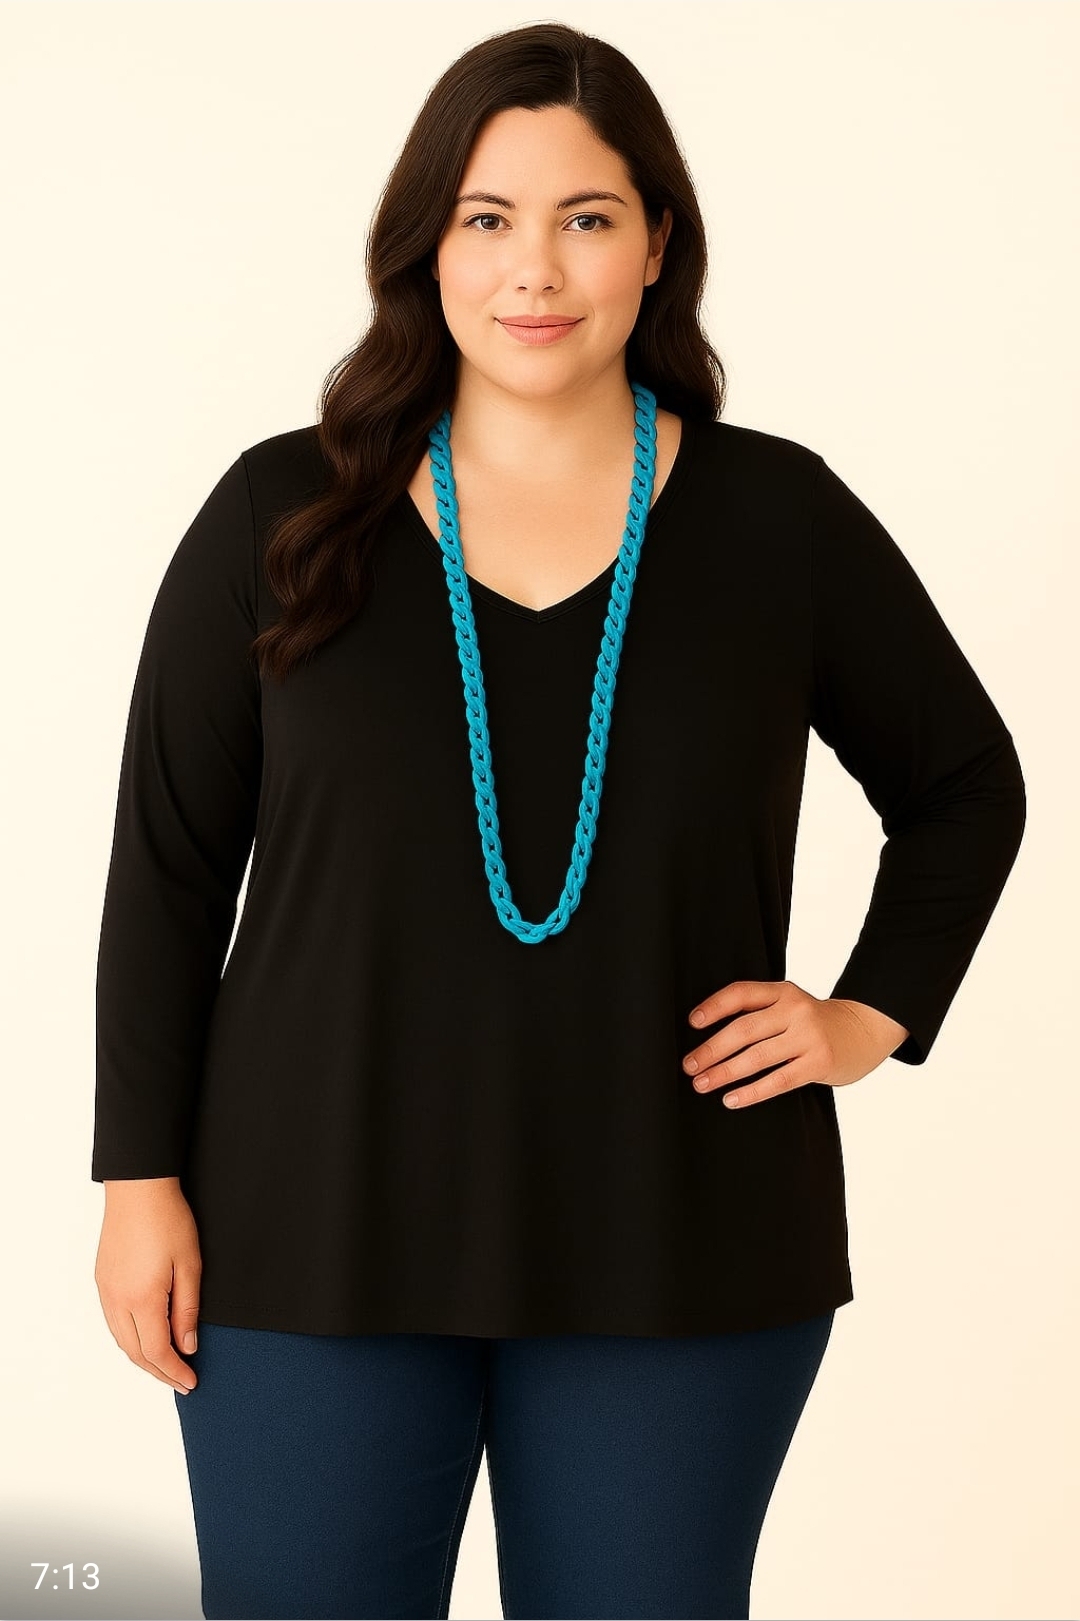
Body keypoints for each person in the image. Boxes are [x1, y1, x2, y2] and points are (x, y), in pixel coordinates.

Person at [91, 21, 1027, 1621]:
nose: (535, 268)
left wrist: (866, 1015)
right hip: (307, 1228)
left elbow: (965, 786)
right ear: (427, 246)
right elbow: (169, 868)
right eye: (488, 218)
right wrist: (137, 1182)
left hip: (681, 1236)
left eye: (587, 217)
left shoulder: (778, 519)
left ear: (657, 243)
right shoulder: (280, 513)